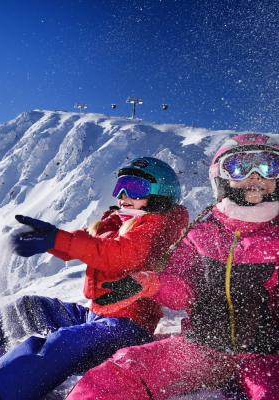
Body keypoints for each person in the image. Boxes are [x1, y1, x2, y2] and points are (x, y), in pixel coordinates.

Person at [0, 157, 189, 400]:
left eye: (133, 187)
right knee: (31, 307)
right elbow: (90, 245)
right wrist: (50, 240)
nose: (122, 195)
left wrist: (58, 239)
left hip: (127, 329)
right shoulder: (118, 221)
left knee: (63, 343)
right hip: (99, 316)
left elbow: (117, 255)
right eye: (120, 186)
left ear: (160, 196)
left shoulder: (154, 230)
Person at [66, 133, 279, 400]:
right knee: (115, 375)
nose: (255, 176)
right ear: (222, 176)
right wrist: (149, 283)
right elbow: (182, 288)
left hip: (267, 356)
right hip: (202, 348)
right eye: (239, 167)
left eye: (269, 166)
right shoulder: (203, 232)